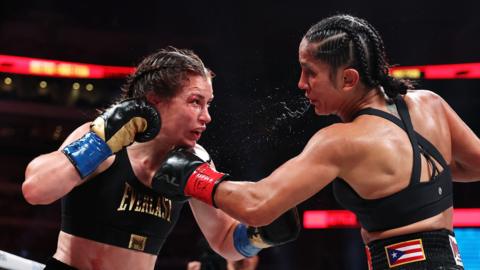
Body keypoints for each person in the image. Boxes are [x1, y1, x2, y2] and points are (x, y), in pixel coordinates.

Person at [152, 15, 480, 269]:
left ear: (349, 79)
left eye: (311, 73)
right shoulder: (430, 103)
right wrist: (415, 184)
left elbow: (257, 204)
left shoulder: (340, 141)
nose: (301, 83)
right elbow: (473, 165)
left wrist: (193, 176)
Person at [22, 47, 300, 270]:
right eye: (195, 102)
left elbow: (224, 239)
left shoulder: (195, 161)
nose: (206, 116)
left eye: (208, 104)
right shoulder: (103, 140)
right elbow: (36, 189)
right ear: (156, 101)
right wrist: (99, 143)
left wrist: (259, 236)